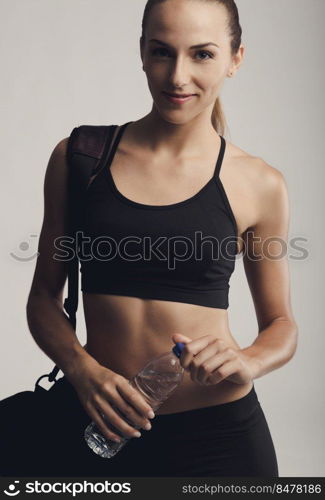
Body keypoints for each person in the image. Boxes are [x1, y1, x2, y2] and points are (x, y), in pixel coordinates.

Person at [22, 0, 298, 477]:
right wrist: (83, 373)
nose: (177, 76)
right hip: (97, 422)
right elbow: (44, 298)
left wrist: (248, 362)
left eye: (202, 54)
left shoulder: (260, 183)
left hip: (219, 437)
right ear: (143, 53)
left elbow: (281, 325)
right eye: (162, 52)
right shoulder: (81, 157)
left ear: (235, 58)